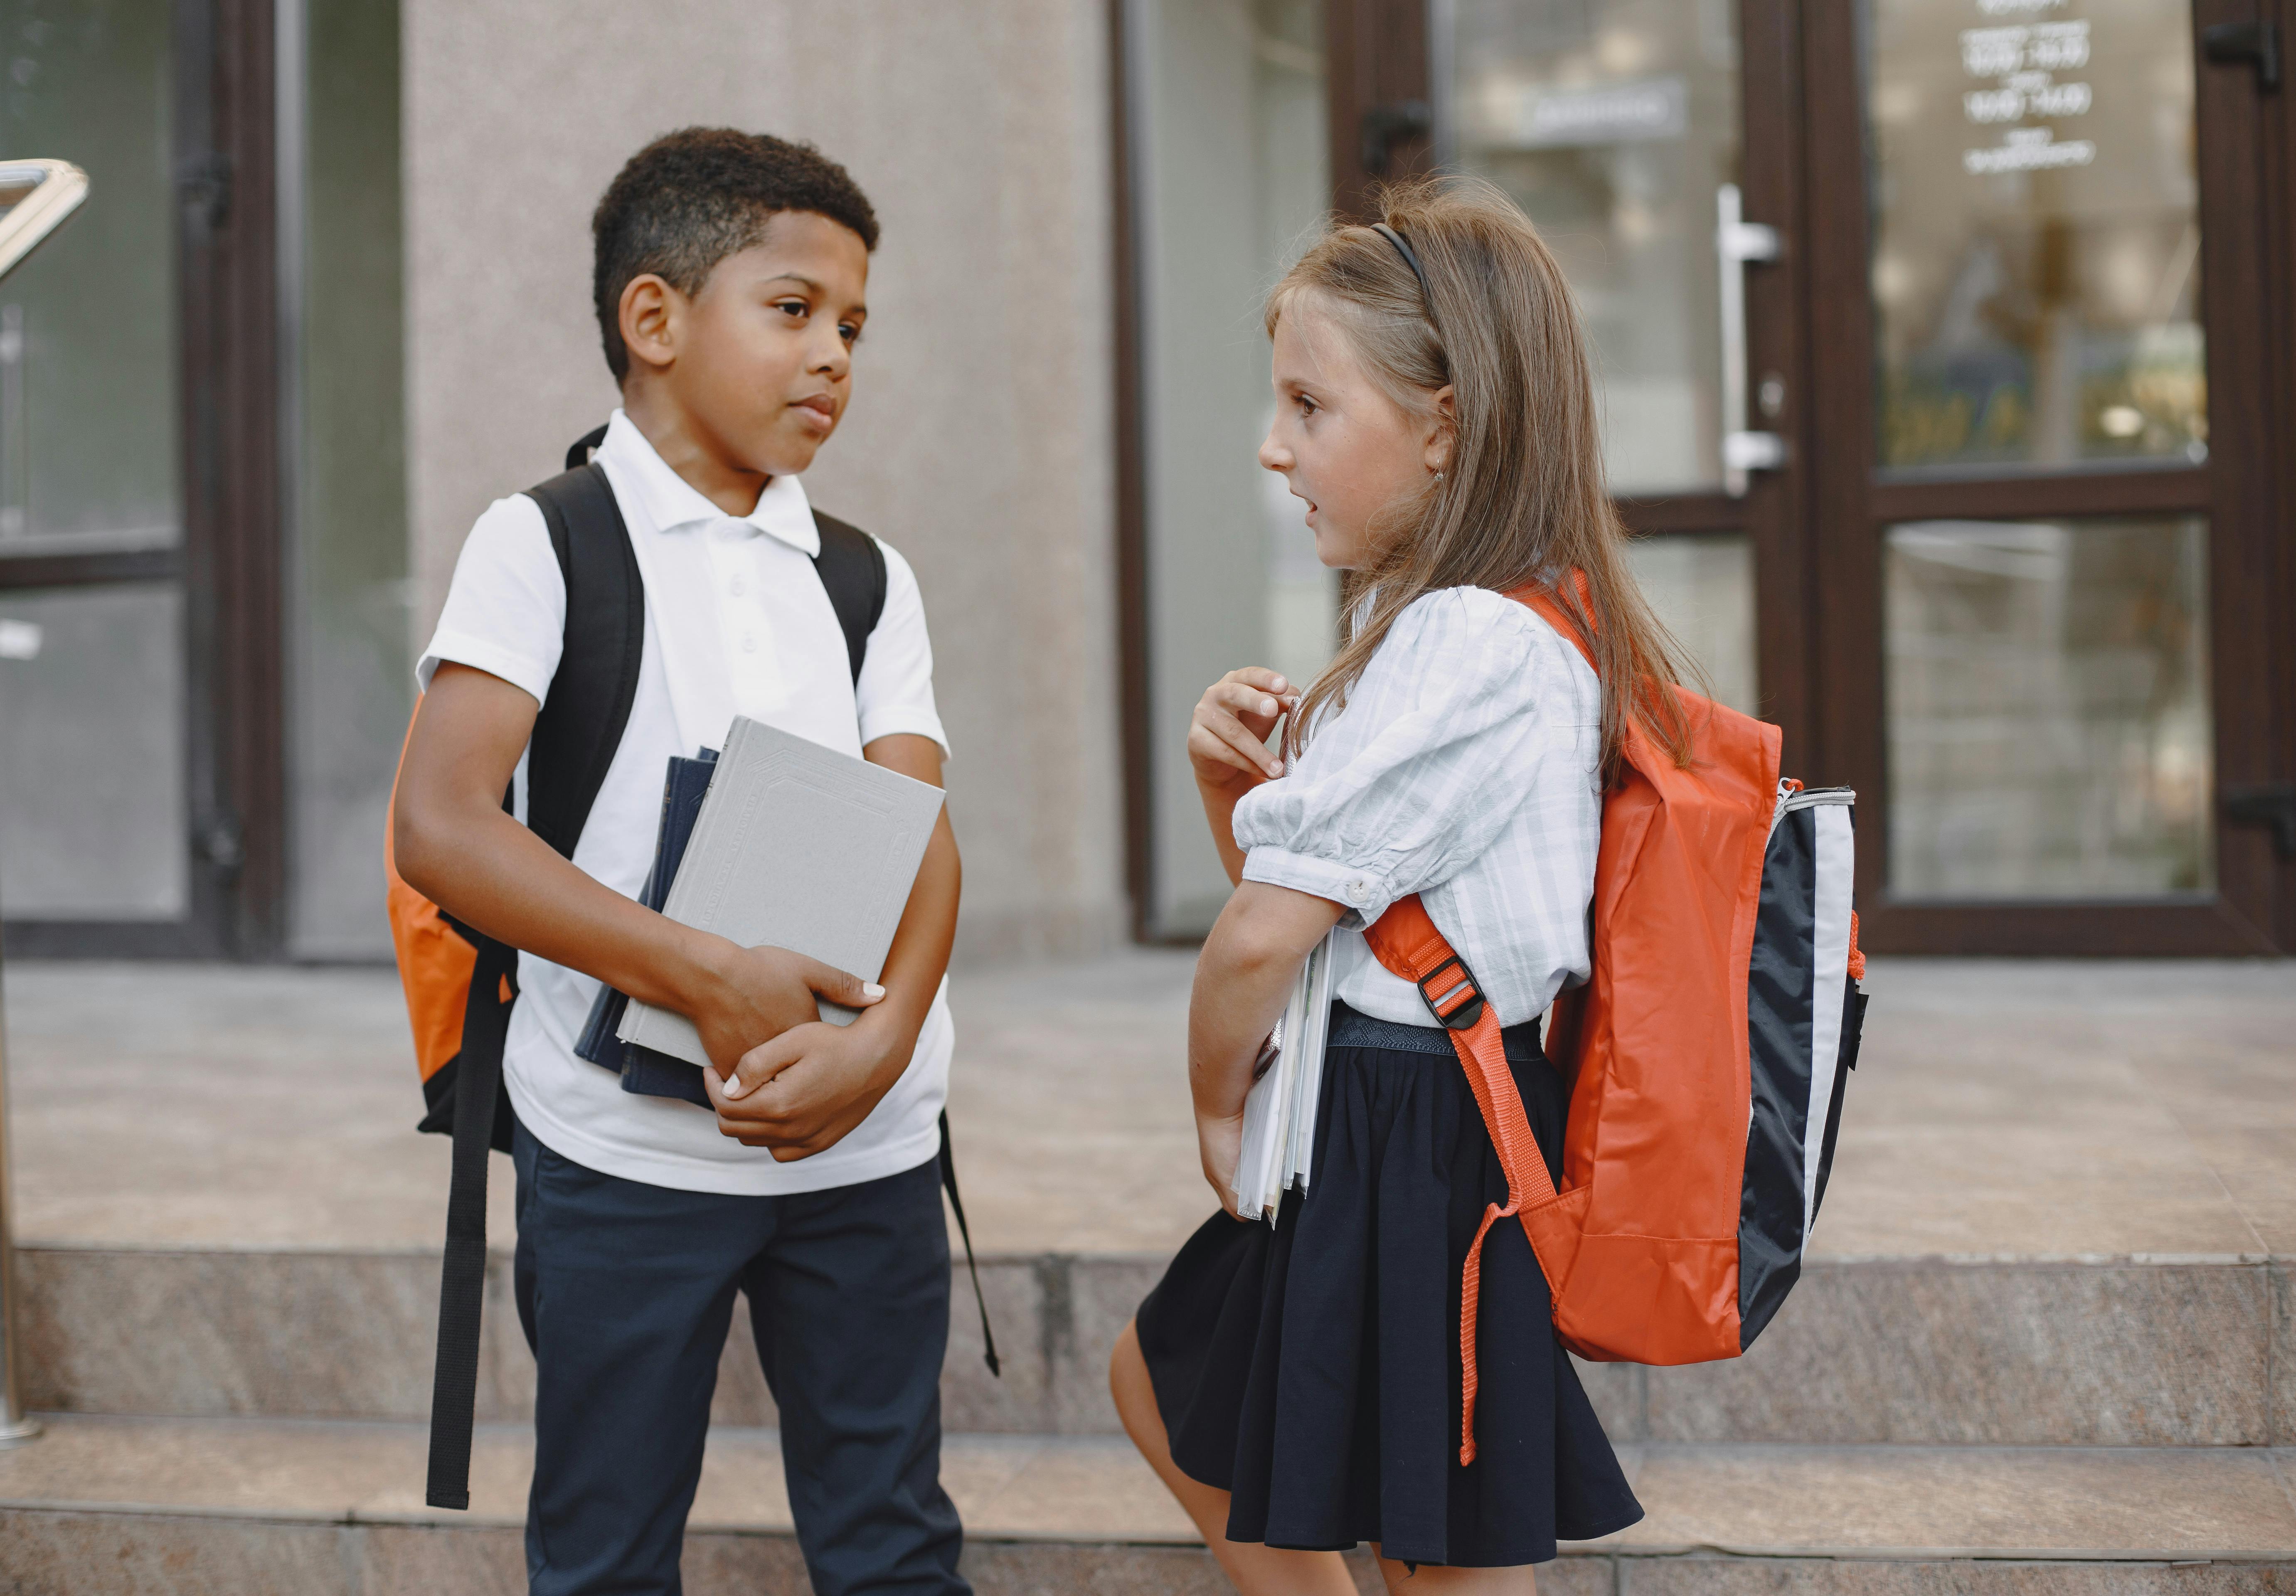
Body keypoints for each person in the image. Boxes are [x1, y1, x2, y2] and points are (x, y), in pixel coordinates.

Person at [392, 128, 968, 1596]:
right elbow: (443, 825)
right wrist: (706, 974)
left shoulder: (865, 574)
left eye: (853, 326)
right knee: (607, 1553)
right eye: (793, 311)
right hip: (624, 1154)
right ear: (654, 321)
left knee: (894, 1544)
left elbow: (922, 832)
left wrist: (888, 1043)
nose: (834, 354)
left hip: (867, 1145)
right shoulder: (546, 542)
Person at [1111, 178, 1695, 1591]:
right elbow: (1331, 931)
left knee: (1430, 1540)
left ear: (1442, 428)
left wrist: (1212, 1102)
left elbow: (1261, 941)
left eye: (1311, 408)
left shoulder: (1469, 645)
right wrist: (1228, 793)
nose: (1274, 447)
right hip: (1381, 1110)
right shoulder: (1466, 626)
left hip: (1413, 1132)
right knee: (1173, 1383)